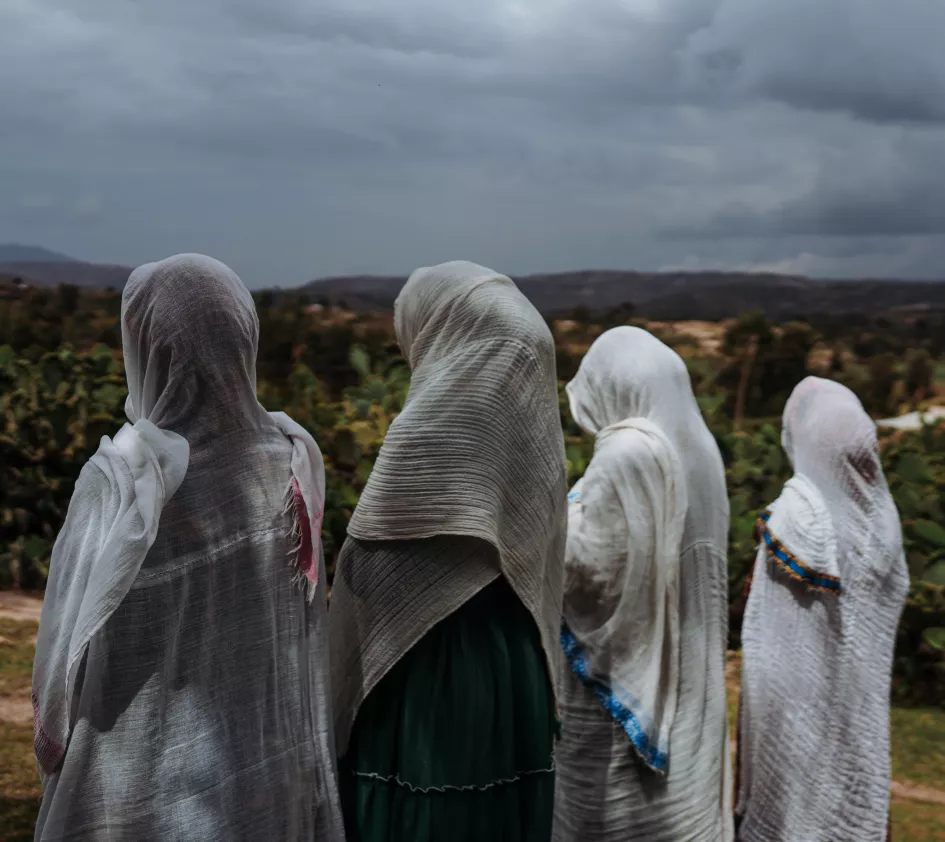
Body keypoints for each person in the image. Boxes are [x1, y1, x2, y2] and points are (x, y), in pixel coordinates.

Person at [31, 255, 345, 841]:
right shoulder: (289, 460)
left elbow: (61, 647)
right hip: (260, 764)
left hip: (132, 775)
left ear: (142, 343)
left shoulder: (122, 478)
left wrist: (52, 738)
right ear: (243, 336)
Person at [329, 261, 567, 842]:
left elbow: (371, 567)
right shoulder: (537, 440)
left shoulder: (423, 439)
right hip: (513, 668)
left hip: (425, 677)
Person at [553, 326, 733, 842]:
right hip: (693, 675)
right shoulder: (700, 451)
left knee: (616, 817)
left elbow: (591, 575)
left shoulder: (628, 453)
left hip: (619, 691)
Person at [735, 377, 908, 842]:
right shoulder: (883, 516)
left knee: (795, 794)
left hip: (795, 701)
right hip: (860, 701)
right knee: (854, 783)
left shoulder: (798, 516)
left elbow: (770, 621)